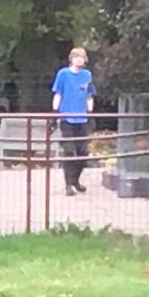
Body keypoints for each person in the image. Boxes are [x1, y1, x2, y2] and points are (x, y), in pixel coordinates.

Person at [51, 47, 96, 194]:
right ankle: (68, 184)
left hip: (81, 119)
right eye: (76, 57)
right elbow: (58, 94)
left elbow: (89, 96)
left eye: (81, 57)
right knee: (69, 151)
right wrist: (54, 113)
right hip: (67, 118)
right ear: (71, 59)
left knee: (83, 153)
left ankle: (76, 180)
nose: (79, 60)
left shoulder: (87, 75)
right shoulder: (63, 74)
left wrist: (90, 114)